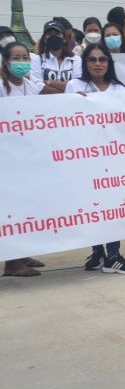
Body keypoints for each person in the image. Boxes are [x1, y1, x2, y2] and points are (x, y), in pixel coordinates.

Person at [63, 43, 125, 274]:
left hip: (114, 158)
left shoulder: (119, 89)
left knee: (114, 206)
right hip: (86, 156)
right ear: (85, 63)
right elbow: (66, 119)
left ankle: (113, 254)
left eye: (102, 59)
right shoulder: (75, 86)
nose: (97, 63)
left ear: (109, 63)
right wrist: (75, 102)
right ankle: (98, 252)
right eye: (92, 59)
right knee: (93, 206)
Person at [1, 42, 47, 276]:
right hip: (6, 158)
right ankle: (11, 263)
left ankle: (21, 253)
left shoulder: (30, 86)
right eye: (16, 58)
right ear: (6, 61)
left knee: (27, 208)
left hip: (26, 156)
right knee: (11, 209)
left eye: (25, 58)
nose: (21, 63)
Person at [30, 20, 82, 94]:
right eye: (50, 34)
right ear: (45, 39)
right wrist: (67, 90)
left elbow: (77, 84)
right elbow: (37, 86)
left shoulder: (75, 59)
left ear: (64, 38)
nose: (53, 37)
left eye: (57, 34)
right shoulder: (37, 59)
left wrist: (48, 81)